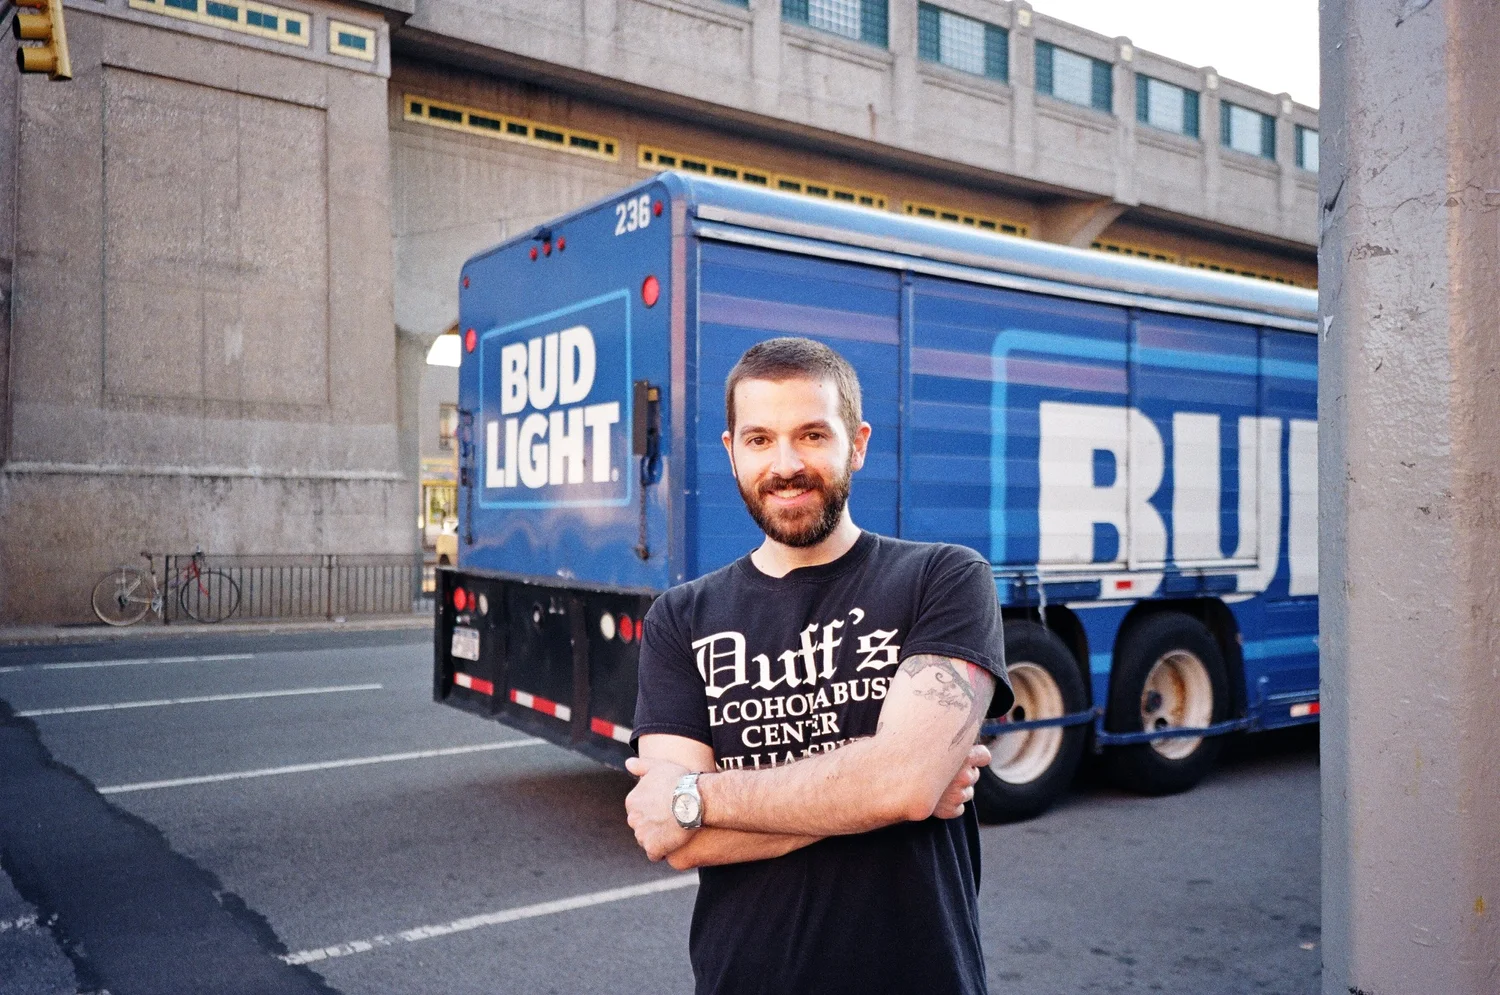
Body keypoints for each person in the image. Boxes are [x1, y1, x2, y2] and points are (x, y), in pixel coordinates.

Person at [624, 336, 1013, 995]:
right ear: (731, 451)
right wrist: (882, 787)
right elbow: (677, 839)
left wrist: (697, 796)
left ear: (857, 443)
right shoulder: (680, 619)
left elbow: (903, 785)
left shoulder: (945, 578)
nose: (785, 465)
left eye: (811, 435)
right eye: (760, 440)